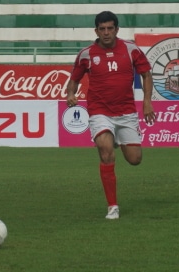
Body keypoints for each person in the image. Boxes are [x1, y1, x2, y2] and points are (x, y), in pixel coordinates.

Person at [66, 11, 156, 219]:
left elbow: (146, 75)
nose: (106, 32)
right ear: (96, 30)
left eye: (110, 28)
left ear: (117, 29)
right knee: (105, 151)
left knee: (135, 160)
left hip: (126, 113)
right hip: (100, 112)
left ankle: (115, 138)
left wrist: (147, 101)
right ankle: (112, 206)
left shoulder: (131, 50)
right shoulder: (86, 54)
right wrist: (71, 94)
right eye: (102, 28)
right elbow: (74, 80)